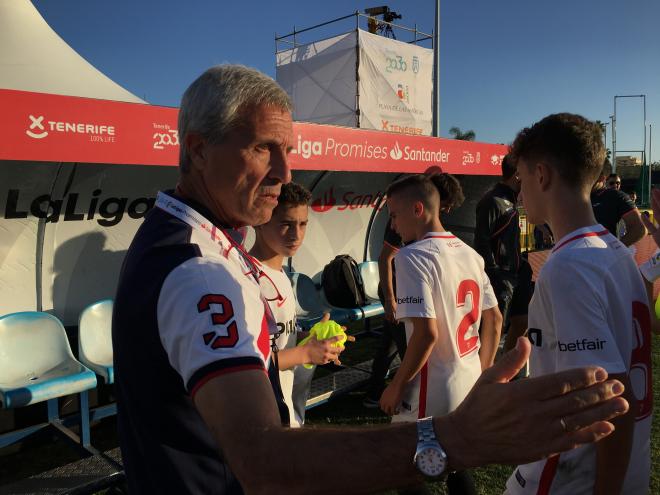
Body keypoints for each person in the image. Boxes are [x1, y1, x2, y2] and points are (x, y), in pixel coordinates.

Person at [113, 65, 629, 494]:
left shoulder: (181, 241)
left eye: (288, 151)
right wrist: (457, 439)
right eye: (264, 148)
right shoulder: (200, 269)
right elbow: (263, 458)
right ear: (199, 150)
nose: (285, 172)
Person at [506, 113, 651, 495]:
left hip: (571, 478)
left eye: (522, 180)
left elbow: (611, 400)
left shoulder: (569, 266)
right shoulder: (617, 251)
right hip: (626, 470)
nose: (520, 195)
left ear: (542, 175)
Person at [380, 174, 502, 495]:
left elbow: (425, 335)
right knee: (454, 464)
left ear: (418, 209)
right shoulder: (470, 253)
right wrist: (483, 373)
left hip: (430, 388)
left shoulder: (412, 256)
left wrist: (396, 386)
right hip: (467, 380)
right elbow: (496, 320)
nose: (393, 225)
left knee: (404, 469)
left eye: (394, 215)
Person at [363, 172, 465, 408]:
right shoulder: (405, 229)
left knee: (391, 342)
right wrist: (390, 299)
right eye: (446, 205)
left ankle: (377, 391)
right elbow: (385, 258)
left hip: (410, 291)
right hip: (398, 290)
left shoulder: (439, 242)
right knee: (407, 344)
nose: (446, 211)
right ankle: (401, 394)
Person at [249, 181, 342, 426]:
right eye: (286, 224)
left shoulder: (280, 274)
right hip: (265, 416)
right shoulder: (248, 280)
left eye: (302, 224)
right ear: (259, 221)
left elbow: (276, 338)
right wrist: (305, 352)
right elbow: (250, 361)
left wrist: (311, 339)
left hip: (288, 408)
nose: (297, 235)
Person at [474, 155, 533, 353]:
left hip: (517, 271)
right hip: (501, 275)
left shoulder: (512, 198)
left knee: (523, 321)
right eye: (525, 171)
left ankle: (507, 368)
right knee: (493, 329)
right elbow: (481, 241)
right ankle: (484, 375)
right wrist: (493, 272)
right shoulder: (492, 200)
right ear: (517, 174)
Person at [591, 166, 645, 246]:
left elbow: (639, 229)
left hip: (606, 252)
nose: (615, 185)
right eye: (612, 183)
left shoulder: (617, 196)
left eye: (618, 183)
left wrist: (616, 249)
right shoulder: (580, 197)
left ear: (602, 178)